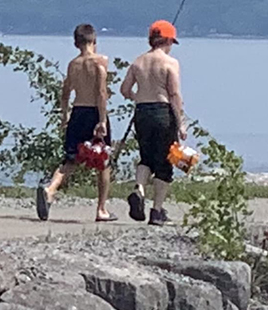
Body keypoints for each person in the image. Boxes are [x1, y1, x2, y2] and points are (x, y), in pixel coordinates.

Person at [36, 23, 116, 223]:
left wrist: (64, 117)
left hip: (78, 112)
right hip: (94, 112)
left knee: (70, 159)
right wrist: (102, 120)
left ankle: (50, 189)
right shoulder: (101, 61)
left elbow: (65, 93)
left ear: (76, 43)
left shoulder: (73, 64)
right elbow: (101, 92)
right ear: (94, 41)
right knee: (103, 162)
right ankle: (101, 209)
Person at [120, 19, 186, 226]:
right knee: (165, 163)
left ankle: (139, 189)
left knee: (146, 157)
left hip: (142, 113)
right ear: (166, 40)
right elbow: (174, 94)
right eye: (170, 43)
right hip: (162, 112)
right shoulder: (170, 63)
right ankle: (156, 211)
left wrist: (137, 97)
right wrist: (181, 122)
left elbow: (124, 89)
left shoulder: (138, 62)